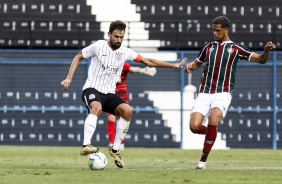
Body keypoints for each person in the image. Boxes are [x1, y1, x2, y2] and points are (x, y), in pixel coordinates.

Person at [60, 20, 186, 168]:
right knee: (97, 108)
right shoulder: (98, 46)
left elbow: (147, 60)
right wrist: (69, 78)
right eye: (116, 37)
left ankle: (115, 149)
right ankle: (86, 145)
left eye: (121, 37)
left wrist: (172, 65)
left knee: (127, 111)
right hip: (92, 89)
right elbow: (78, 56)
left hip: (109, 93)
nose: (118, 40)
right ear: (109, 34)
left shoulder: (125, 52)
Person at [184, 16, 276, 169]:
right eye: (213, 30)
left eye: (218, 30)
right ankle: (211, 133)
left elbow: (261, 60)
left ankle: (202, 161)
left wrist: (266, 51)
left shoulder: (236, 49)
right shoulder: (208, 48)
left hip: (223, 93)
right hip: (204, 93)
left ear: (226, 30)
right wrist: (189, 67)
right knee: (194, 127)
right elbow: (196, 64)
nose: (215, 33)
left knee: (214, 118)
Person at [107, 63, 157, 150]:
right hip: (110, 93)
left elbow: (133, 69)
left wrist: (143, 70)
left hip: (122, 95)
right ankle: (111, 143)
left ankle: (120, 143)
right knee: (111, 117)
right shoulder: (107, 64)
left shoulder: (124, 65)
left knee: (122, 119)